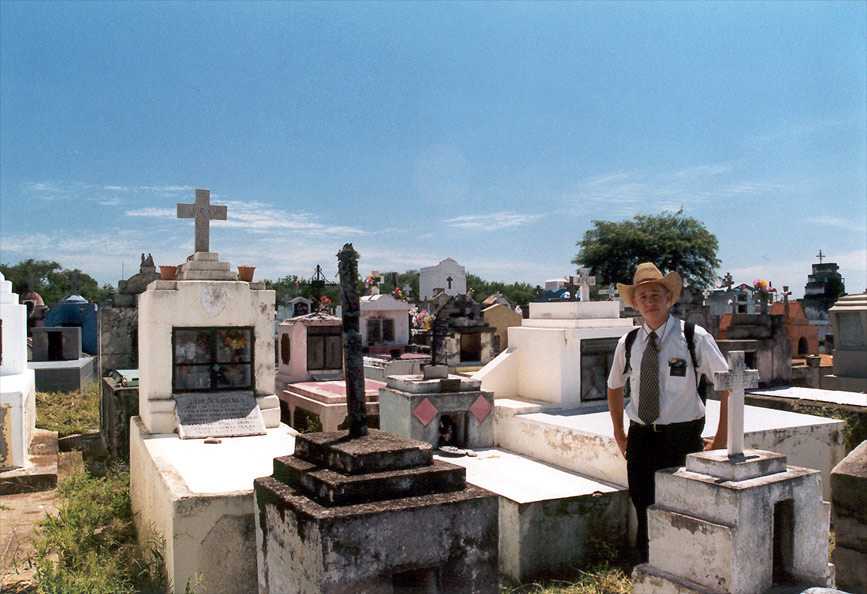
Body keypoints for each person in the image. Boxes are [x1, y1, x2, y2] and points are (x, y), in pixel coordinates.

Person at [606, 262, 730, 563]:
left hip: (682, 438)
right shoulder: (630, 342)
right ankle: (649, 570)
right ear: (635, 303)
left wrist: (723, 437)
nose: (650, 302)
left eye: (655, 295)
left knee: (686, 508)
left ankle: (684, 569)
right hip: (641, 439)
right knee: (644, 507)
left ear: (669, 298)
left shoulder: (694, 337)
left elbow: (728, 385)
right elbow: (614, 386)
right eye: (643, 296)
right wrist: (619, 433)